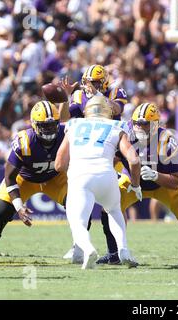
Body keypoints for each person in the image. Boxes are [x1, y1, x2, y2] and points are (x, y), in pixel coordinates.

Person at [97, 103, 178, 266]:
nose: (139, 127)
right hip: (132, 182)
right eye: (137, 123)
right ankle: (113, 253)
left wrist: (155, 175)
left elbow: (176, 182)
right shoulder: (123, 134)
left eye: (144, 124)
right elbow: (112, 159)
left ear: (155, 124)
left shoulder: (166, 140)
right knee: (107, 208)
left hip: (162, 186)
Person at [0, 101, 66, 264]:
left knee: (81, 205)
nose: (49, 130)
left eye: (52, 125)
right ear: (34, 125)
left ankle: (80, 247)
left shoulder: (65, 133)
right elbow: (10, 177)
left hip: (56, 178)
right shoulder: (24, 141)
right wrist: (19, 206)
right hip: (24, 179)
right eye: (44, 126)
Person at [55, 96, 141, 269]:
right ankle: (123, 249)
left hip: (81, 176)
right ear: (108, 112)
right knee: (114, 210)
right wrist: (136, 185)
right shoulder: (116, 125)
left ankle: (88, 249)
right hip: (107, 176)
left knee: (77, 221)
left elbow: (59, 164)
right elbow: (134, 160)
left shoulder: (74, 125)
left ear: (87, 111)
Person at [59, 64, 129, 262]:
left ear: (103, 82)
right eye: (87, 82)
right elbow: (64, 118)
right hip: (87, 152)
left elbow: (116, 108)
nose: (88, 86)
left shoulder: (116, 91)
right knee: (82, 205)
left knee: (111, 207)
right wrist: (65, 97)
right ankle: (79, 246)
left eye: (94, 82)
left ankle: (115, 251)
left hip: (110, 151)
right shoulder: (79, 96)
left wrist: (98, 95)